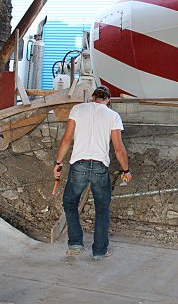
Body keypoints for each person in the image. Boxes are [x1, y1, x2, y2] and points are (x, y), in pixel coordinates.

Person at [54, 85, 132, 260]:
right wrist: (126, 170)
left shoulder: (77, 109)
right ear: (108, 100)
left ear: (92, 97)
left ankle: (75, 243)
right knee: (102, 209)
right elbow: (118, 149)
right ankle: (99, 252)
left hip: (79, 165)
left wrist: (58, 163)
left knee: (69, 203)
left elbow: (66, 140)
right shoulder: (113, 116)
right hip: (99, 167)